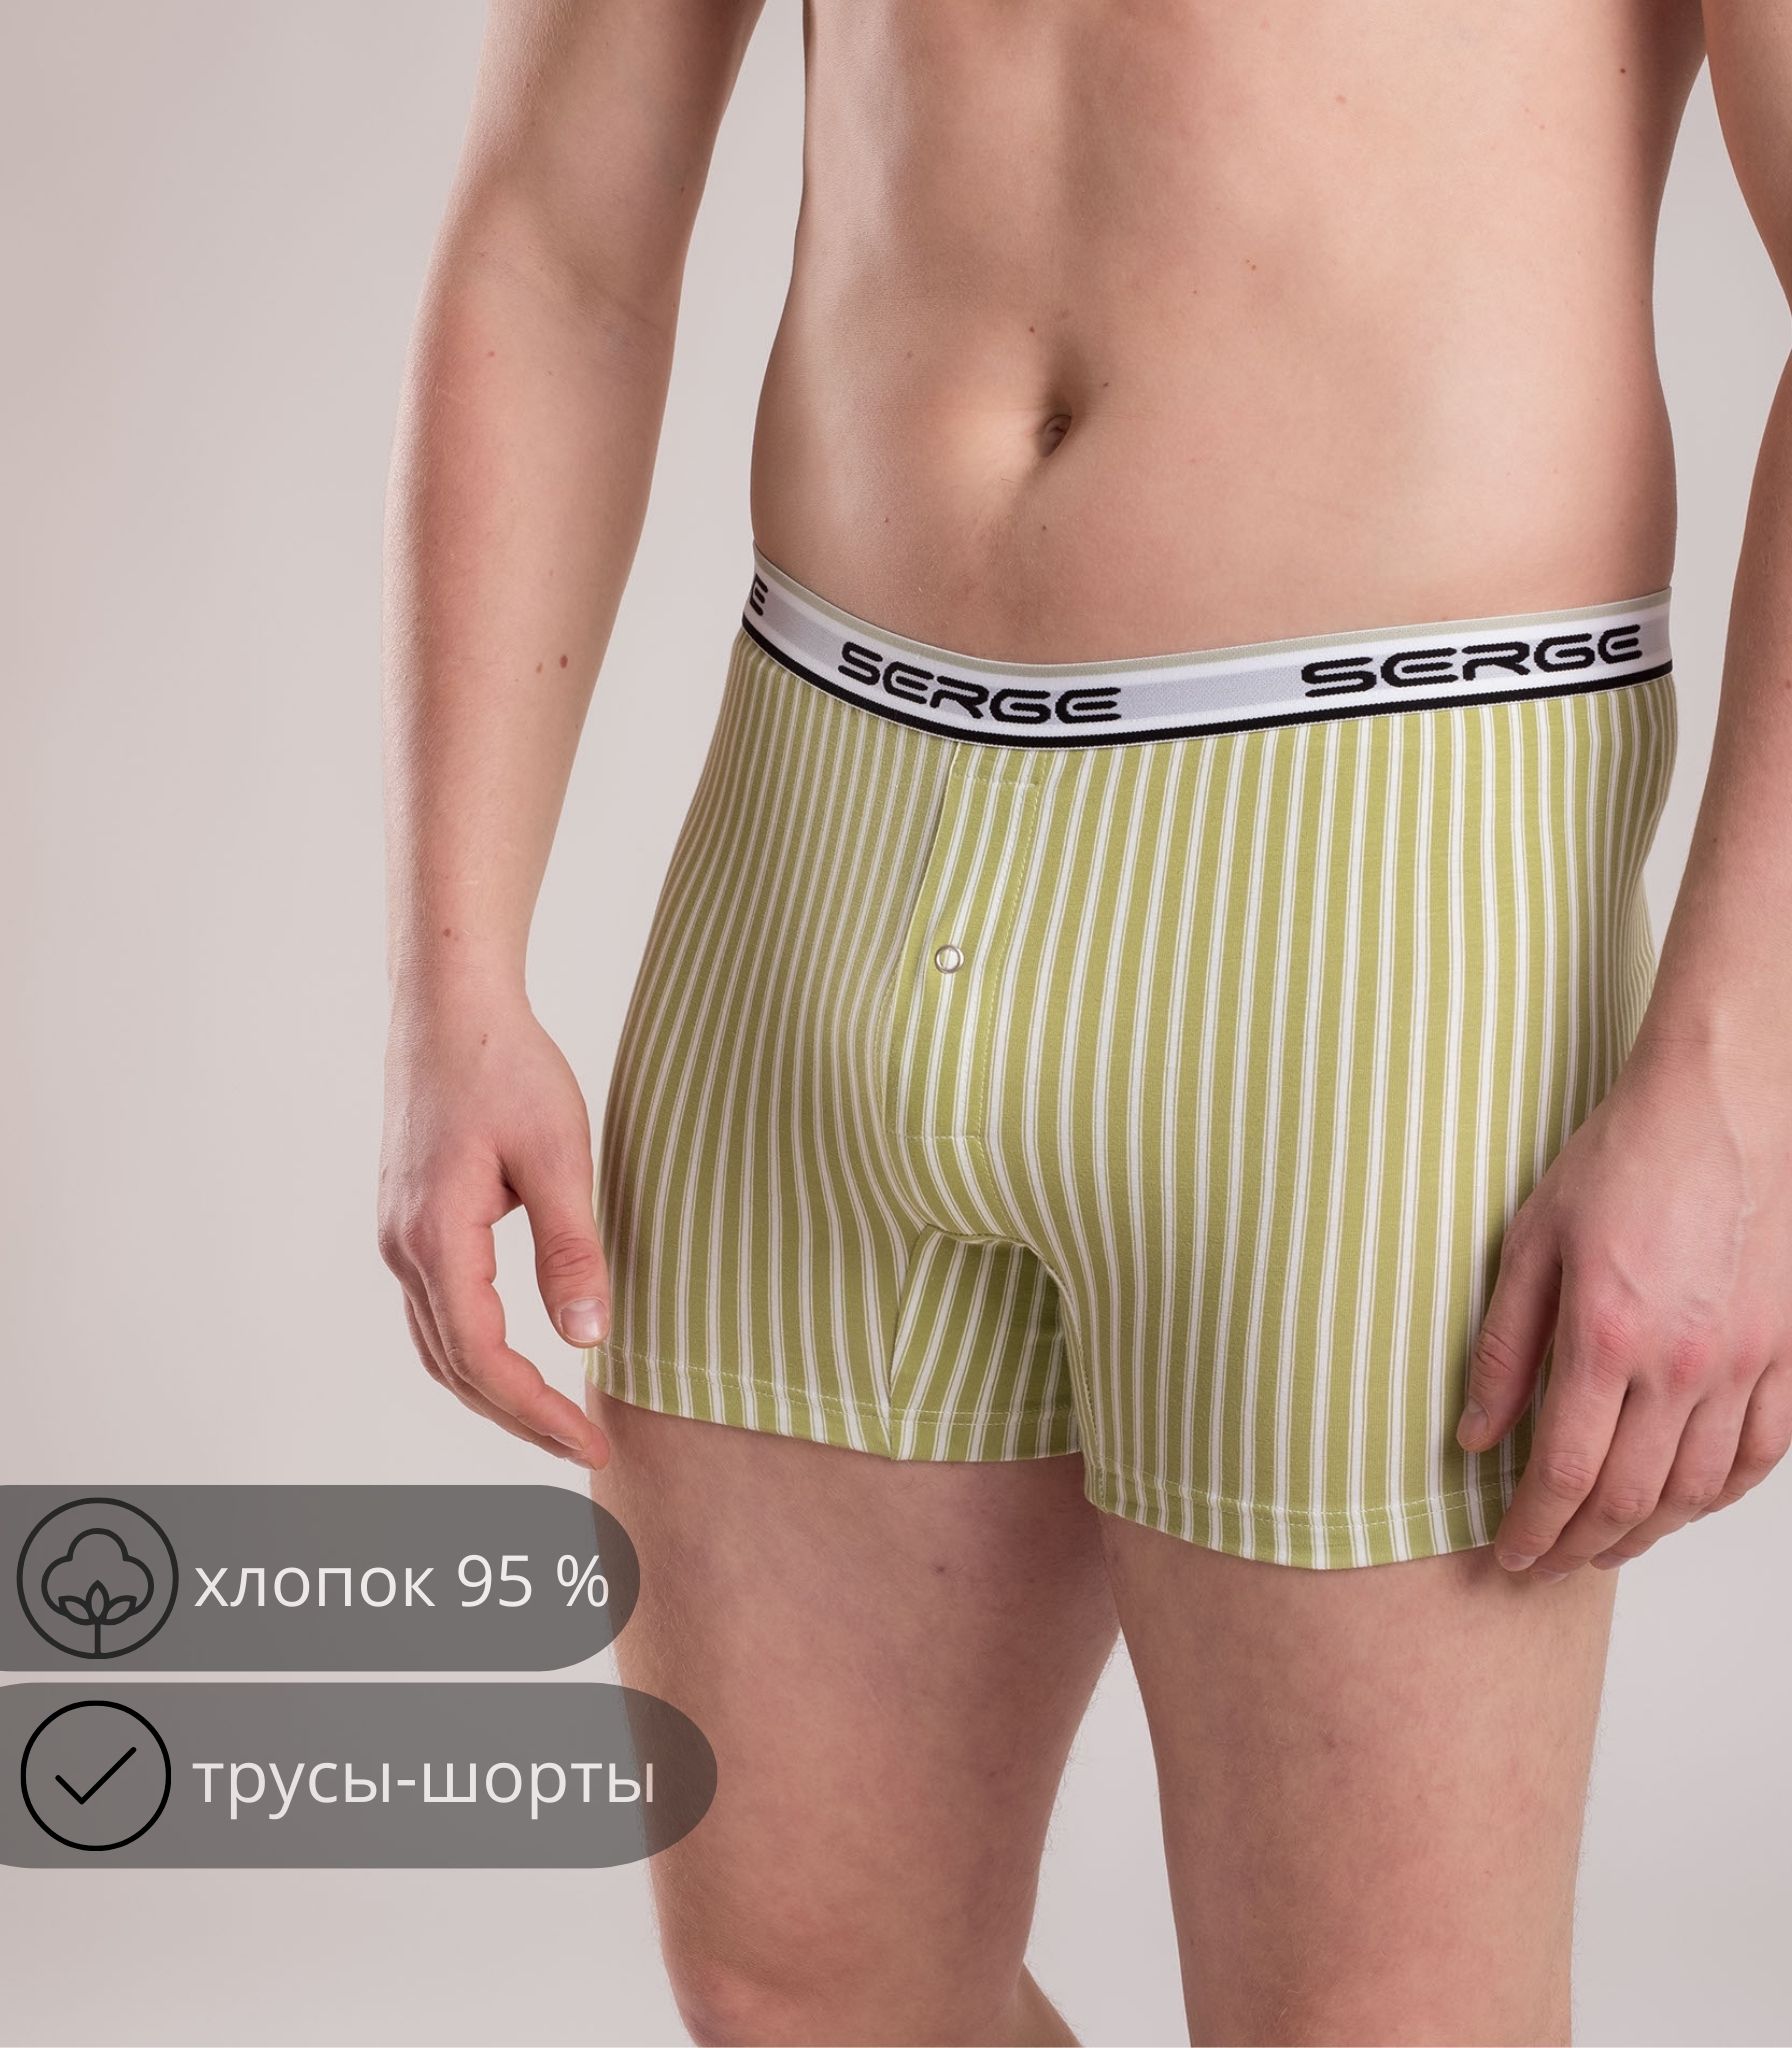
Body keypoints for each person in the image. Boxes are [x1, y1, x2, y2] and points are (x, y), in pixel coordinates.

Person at [378, 4, 1792, 2041]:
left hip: (1380, 884)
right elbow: (554, 235)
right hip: (816, 831)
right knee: (807, 1990)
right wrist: (453, 976)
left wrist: (1740, 1074)